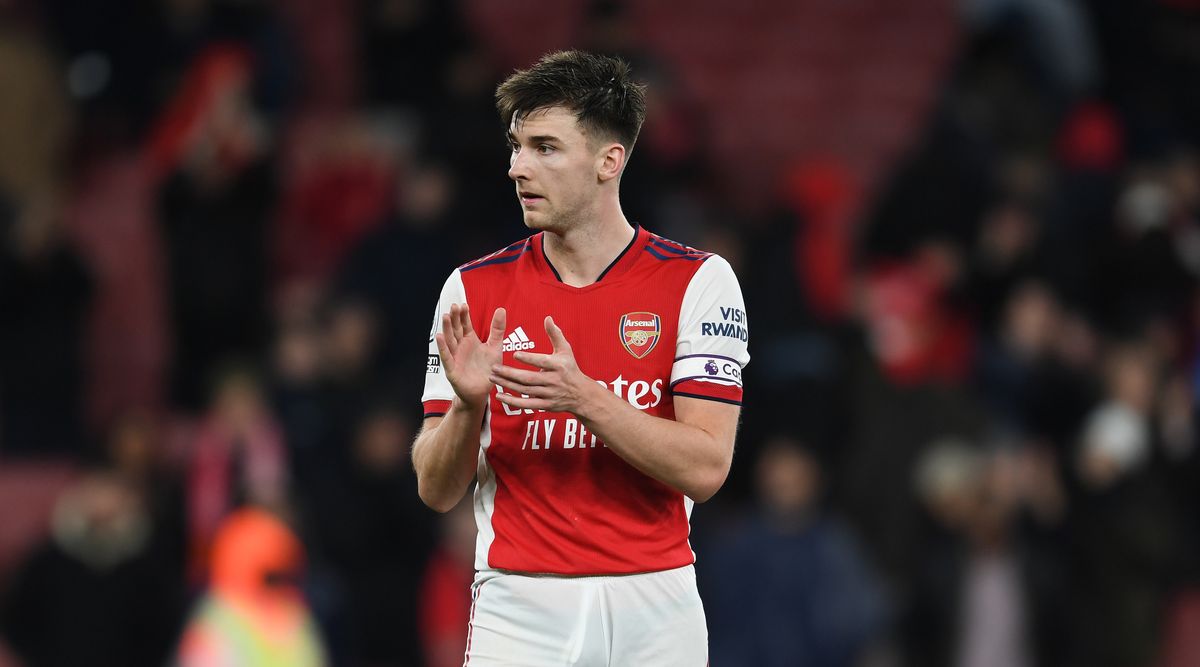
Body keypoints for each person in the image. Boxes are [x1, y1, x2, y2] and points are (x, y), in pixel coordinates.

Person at [412, 50, 749, 666]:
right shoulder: (472, 291)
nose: (517, 167)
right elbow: (436, 490)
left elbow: (706, 468)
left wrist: (585, 398)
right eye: (515, 146)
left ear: (608, 161)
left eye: (544, 147)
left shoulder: (700, 283)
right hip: (519, 607)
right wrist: (466, 408)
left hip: (656, 605)